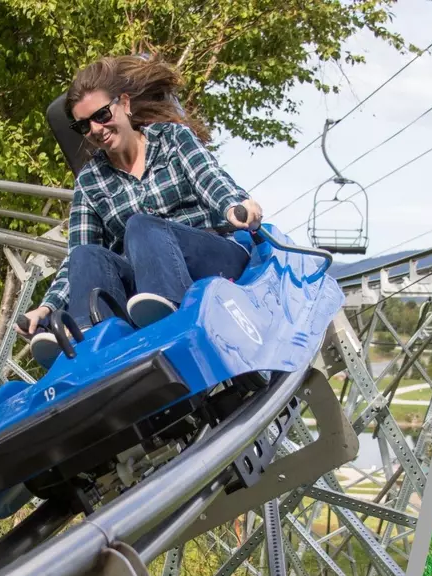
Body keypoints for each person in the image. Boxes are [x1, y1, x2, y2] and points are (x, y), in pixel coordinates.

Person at [15, 55, 263, 368]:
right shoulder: (90, 182)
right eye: (84, 125)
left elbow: (212, 182)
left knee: (141, 227)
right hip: (146, 284)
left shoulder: (173, 140)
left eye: (102, 114)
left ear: (125, 105)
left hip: (210, 260)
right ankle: (96, 344)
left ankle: (170, 318)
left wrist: (237, 206)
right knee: (86, 256)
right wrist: (47, 308)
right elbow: (77, 259)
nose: (96, 129)